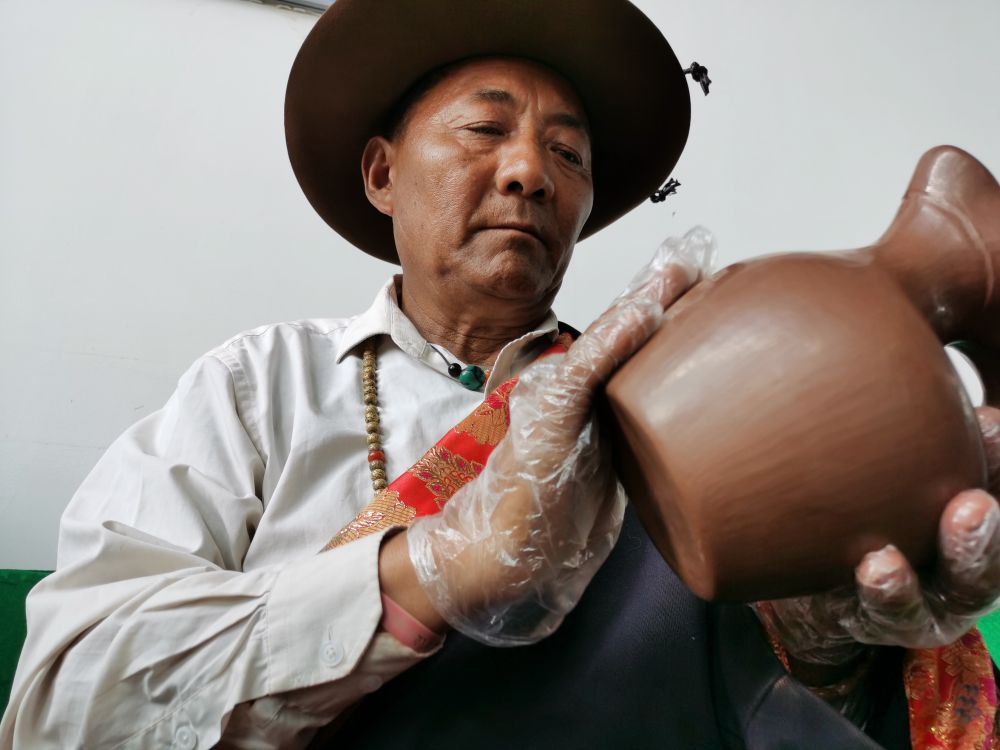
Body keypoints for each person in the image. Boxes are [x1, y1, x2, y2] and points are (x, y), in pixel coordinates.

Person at [3, 1, 1000, 747]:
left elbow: (761, 713)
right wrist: (438, 570)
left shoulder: (669, 399)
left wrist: (829, 657)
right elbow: (60, 707)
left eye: (568, 154)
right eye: (485, 131)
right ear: (383, 174)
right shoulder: (259, 387)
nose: (530, 172)